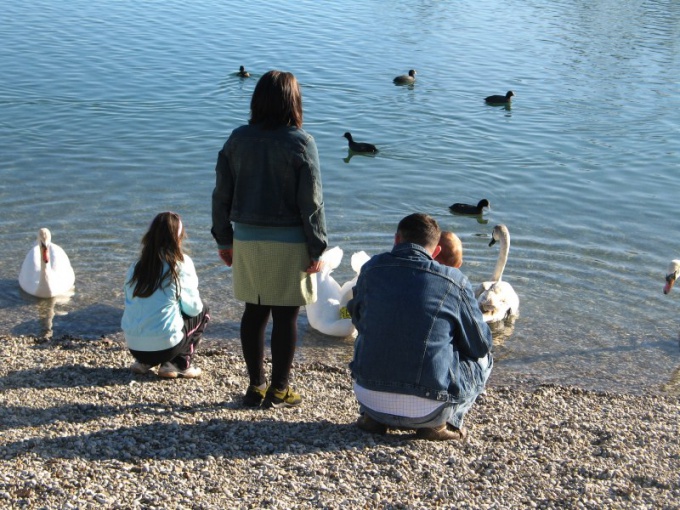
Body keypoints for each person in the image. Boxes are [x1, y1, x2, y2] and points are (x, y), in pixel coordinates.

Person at [211, 70, 328, 409]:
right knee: (287, 316)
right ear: (294, 101)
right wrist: (317, 244)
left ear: (256, 101)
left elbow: (221, 194)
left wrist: (224, 239)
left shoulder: (237, 139)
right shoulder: (301, 142)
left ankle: (255, 387)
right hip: (291, 241)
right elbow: (313, 201)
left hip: (246, 239)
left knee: (254, 311)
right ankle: (280, 389)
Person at [348, 213, 492, 440]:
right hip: (429, 409)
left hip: (369, 398)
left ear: (397, 239)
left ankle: (373, 419)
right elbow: (480, 345)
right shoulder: (454, 280)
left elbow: (357, 319)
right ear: (435, 253)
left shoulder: (370, 269)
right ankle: (443, 423)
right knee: (484, 360)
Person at [122, 212, 210, 378]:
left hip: (135, 347)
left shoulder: (136, 266)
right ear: (179, 237)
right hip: (166, 346)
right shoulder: (180, 264)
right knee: (203, 309)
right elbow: (194, 309)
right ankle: (179, 363)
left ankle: (145, 362)